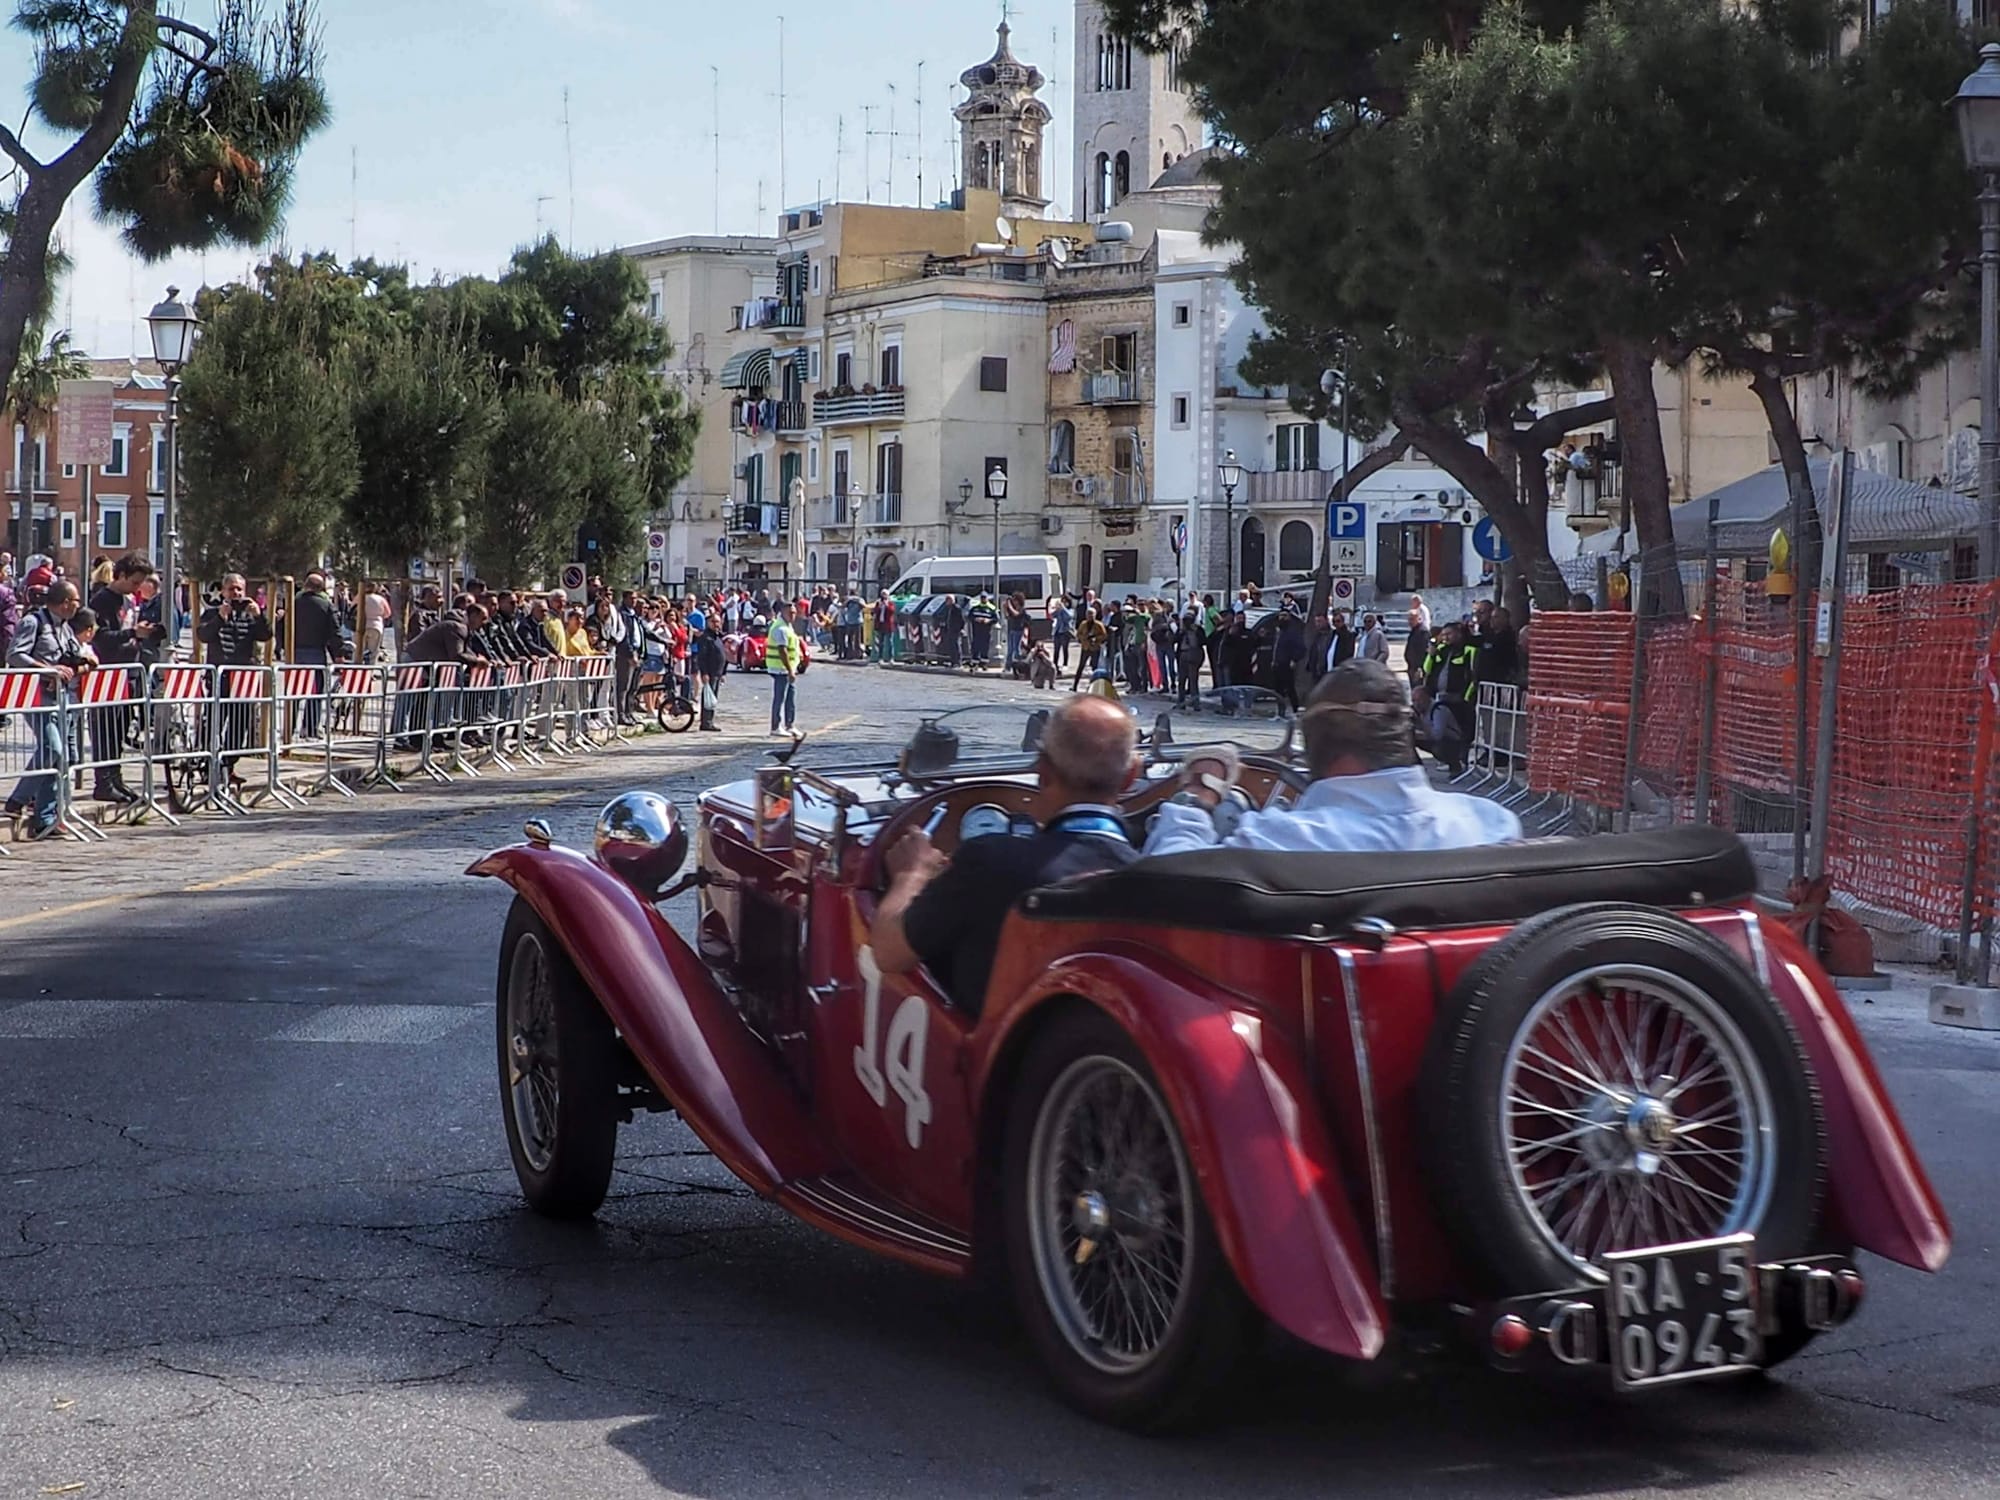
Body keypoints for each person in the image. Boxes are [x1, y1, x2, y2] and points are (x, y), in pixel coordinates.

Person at [869, 696, 1141, 1012]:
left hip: (977, 1035)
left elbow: (888, 952)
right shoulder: (1149, 882)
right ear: (1131, 776)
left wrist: (910, 875)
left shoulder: (988, 861)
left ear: (1043, 772)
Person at [1144, 658, 1521, 856]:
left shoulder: (1281, 841)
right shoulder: (1493, 825)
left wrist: (1199, 794)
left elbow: (1167, 879)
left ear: (1318, 743)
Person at [6, 579, 83, 839]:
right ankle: (18, 800)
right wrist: (47, 669)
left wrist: (85, 660)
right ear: (65, 602)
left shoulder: (65, 627)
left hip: (60, 697)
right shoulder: (33, 622)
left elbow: (71, 653)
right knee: (52, 748)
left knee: (59, 757)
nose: (78, 606)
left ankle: (45, 818)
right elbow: (15, 655)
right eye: (76, 601)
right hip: (36, 695)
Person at [84, 553, 156, 804]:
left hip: (128, 671)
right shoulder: (101, 601)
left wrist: (143, 635)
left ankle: (116, 777)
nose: (137, 587)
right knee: (105, 730)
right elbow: (99, 637)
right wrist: (132, 633)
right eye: (134, 582)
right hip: (108, 672)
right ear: (121, 575)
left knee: (120, 729)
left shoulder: (128, 600)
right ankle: (103, 782)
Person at [289, 571, 349, 739]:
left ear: (305, 585)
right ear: (321, 588)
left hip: (295, 652)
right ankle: (309, 727)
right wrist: (338, 654)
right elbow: (334, 631)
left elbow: (282, 626)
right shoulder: (326, 605)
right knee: (315, 692)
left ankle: (289, 727)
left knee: (293, 692)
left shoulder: (294, 602)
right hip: (315, 652)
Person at [765, 599, 804, 735]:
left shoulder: (787, 626)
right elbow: (783, 650)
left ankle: (789, 725)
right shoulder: (780, 628)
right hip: (781, 668)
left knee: (790, 698)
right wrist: (790, 670)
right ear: (782, 612)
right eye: (790, 613)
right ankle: (776, 727)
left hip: (788, 668)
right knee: (780, 698)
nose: (793, 615)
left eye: (794, 612)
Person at [1070, 603, 1106, 691]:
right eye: (1088, 614)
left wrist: (1095, 638)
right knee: (1081, 667)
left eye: (1092, 615)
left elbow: (1104, 635)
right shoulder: (1083, 624)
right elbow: (1078, 634)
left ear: (1095, 615)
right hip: (1085, 647)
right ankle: (1074, 686)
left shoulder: (1099, 625)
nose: (1090, 616)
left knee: (1095, 668)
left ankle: (1095, 687)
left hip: (1095, 648)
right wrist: (1084, 638)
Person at [360, 582, 392, 662]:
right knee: (373, 651)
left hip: (362, 625)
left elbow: (352, 608)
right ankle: (371, 668)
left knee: (360, 650)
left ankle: (359, 666)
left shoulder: (360, 597)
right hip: (376, 626)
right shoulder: (381, 599)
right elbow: (388, 613)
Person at [967, 590, 999, 667]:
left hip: (986, 631)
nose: (983, 599)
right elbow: (969, 617)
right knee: (975, 646)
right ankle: (975, 662)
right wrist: (976, 619)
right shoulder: (975, 607)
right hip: (976, 631)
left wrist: (988, 620)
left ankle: (984, 663)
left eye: (984, 598)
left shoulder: (992, 608)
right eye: (982, 598)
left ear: (987, 598)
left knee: (985, 647)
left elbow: (996, 619)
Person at [1050, 594, 1074, 672]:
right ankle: (1055, 664)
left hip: (1065, 632)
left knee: (1065, 648)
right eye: (1062, 601)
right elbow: (1052, 615)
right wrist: (1057, 609)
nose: (1063, 603)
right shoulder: (1060, 611)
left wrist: (1063, 608)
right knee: (1056, 649)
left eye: (1065, 602)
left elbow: (1069, 616)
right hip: (1057, 632)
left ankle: (1065, 664)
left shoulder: (1070, 610)